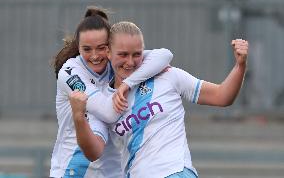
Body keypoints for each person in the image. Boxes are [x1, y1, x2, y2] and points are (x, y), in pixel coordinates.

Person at [69, 21, 249, 178]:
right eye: (123, 55)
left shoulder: (168, 75)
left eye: (136, 54)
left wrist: (240, 65)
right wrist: (78, 117)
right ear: (108, 52)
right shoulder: (104, 101)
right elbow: (93, 152)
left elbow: (222, 96)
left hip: (177, 172)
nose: (130, 62)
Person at [50, 6, 173, 178]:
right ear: (78, 48)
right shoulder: (70, 72)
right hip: (73, 172)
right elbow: (108, 113)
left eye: (101, 48)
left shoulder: (116, 63)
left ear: (109, 49)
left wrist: (127, 84)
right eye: (87, 49)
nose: (95, 56)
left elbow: (164, 55)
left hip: (112, 172)